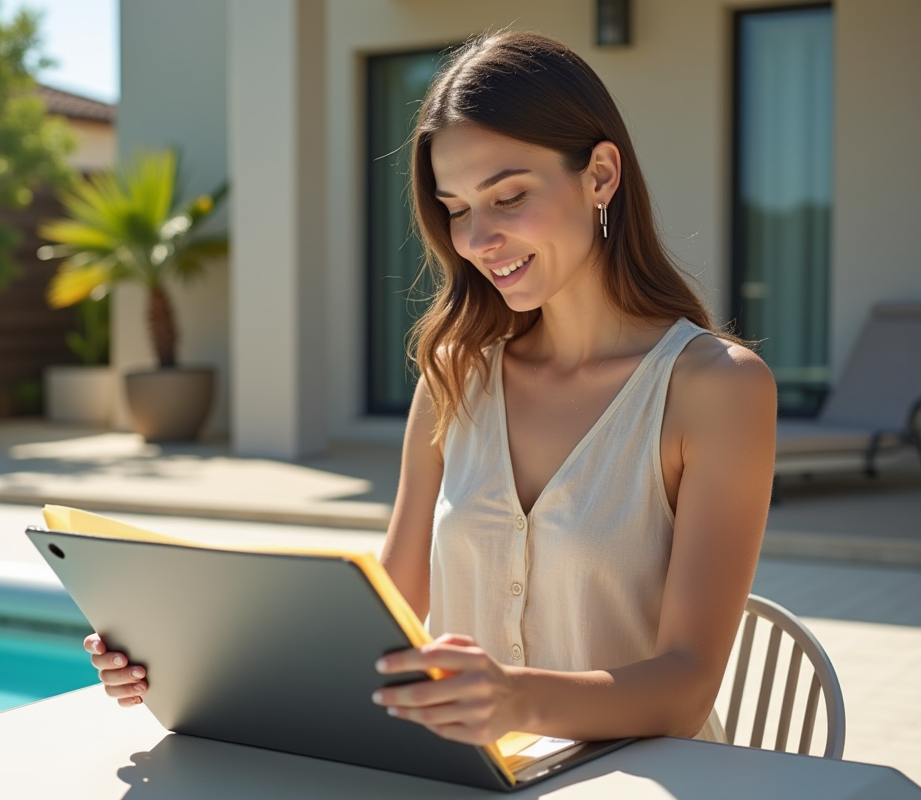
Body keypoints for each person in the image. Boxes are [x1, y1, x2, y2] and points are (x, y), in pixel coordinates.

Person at [85, 30, 777, 746]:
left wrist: (518, 701)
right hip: (472, 781)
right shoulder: (456, 375)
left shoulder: (716, 389)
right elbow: (389, 618)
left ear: (601, 175)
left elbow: (686, 688)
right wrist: (181, 661)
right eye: (456, 208)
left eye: (508, 196)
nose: (478, 240)